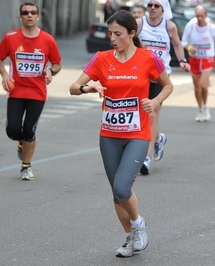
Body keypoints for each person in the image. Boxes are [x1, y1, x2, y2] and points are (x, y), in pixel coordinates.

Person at [69, 10, 173, 256]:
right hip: (109, 135)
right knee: (116, 194)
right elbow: (73, 87)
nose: (112, 38)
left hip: (137, 133)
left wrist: (155, 101)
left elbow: (168, 85)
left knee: (122, 188)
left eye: (118, 34)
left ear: (132, 33)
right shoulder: (101, 58)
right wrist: (87, 87)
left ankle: (138, 224)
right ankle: (130, 238)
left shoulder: (148, 58)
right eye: (110, 33)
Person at [0, 2, 62, 180]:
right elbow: (0, 58)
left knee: (29, 131)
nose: (29, 15)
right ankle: (21, 143)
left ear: (37, 16)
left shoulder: (48, 40)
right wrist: (4, 74)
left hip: (37, 93)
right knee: (13, 130)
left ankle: (26, 167)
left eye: (33, 12)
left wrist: (50, 71)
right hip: (16, 91)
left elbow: (57, 64)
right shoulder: (10, 37)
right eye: (25, 12)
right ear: (21, 16)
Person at [136, 0, 190, 175]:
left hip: (160, 76)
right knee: (141, 116)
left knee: (152, 115)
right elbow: (129, 41)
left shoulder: (169, 27)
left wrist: (182, 60)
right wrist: (139, 47)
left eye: (156, 5)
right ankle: (158, 139)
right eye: (150, 4)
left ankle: (146, 158)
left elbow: (176, 44)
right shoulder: (139, 23)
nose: (152, 8)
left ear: (163, 8)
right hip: (140, 76)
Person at [181, 5, 215, 122]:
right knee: (197, 88)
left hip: (207, 59)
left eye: (202, 16)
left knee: (204, 85)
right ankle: (200, 109)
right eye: (198, 16)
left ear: (206, 16)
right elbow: (183, 41)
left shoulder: (212, 28)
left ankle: (205, 106)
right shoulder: (190, 26)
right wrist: (190, 48)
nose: (200, 18)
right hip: (194, 59)